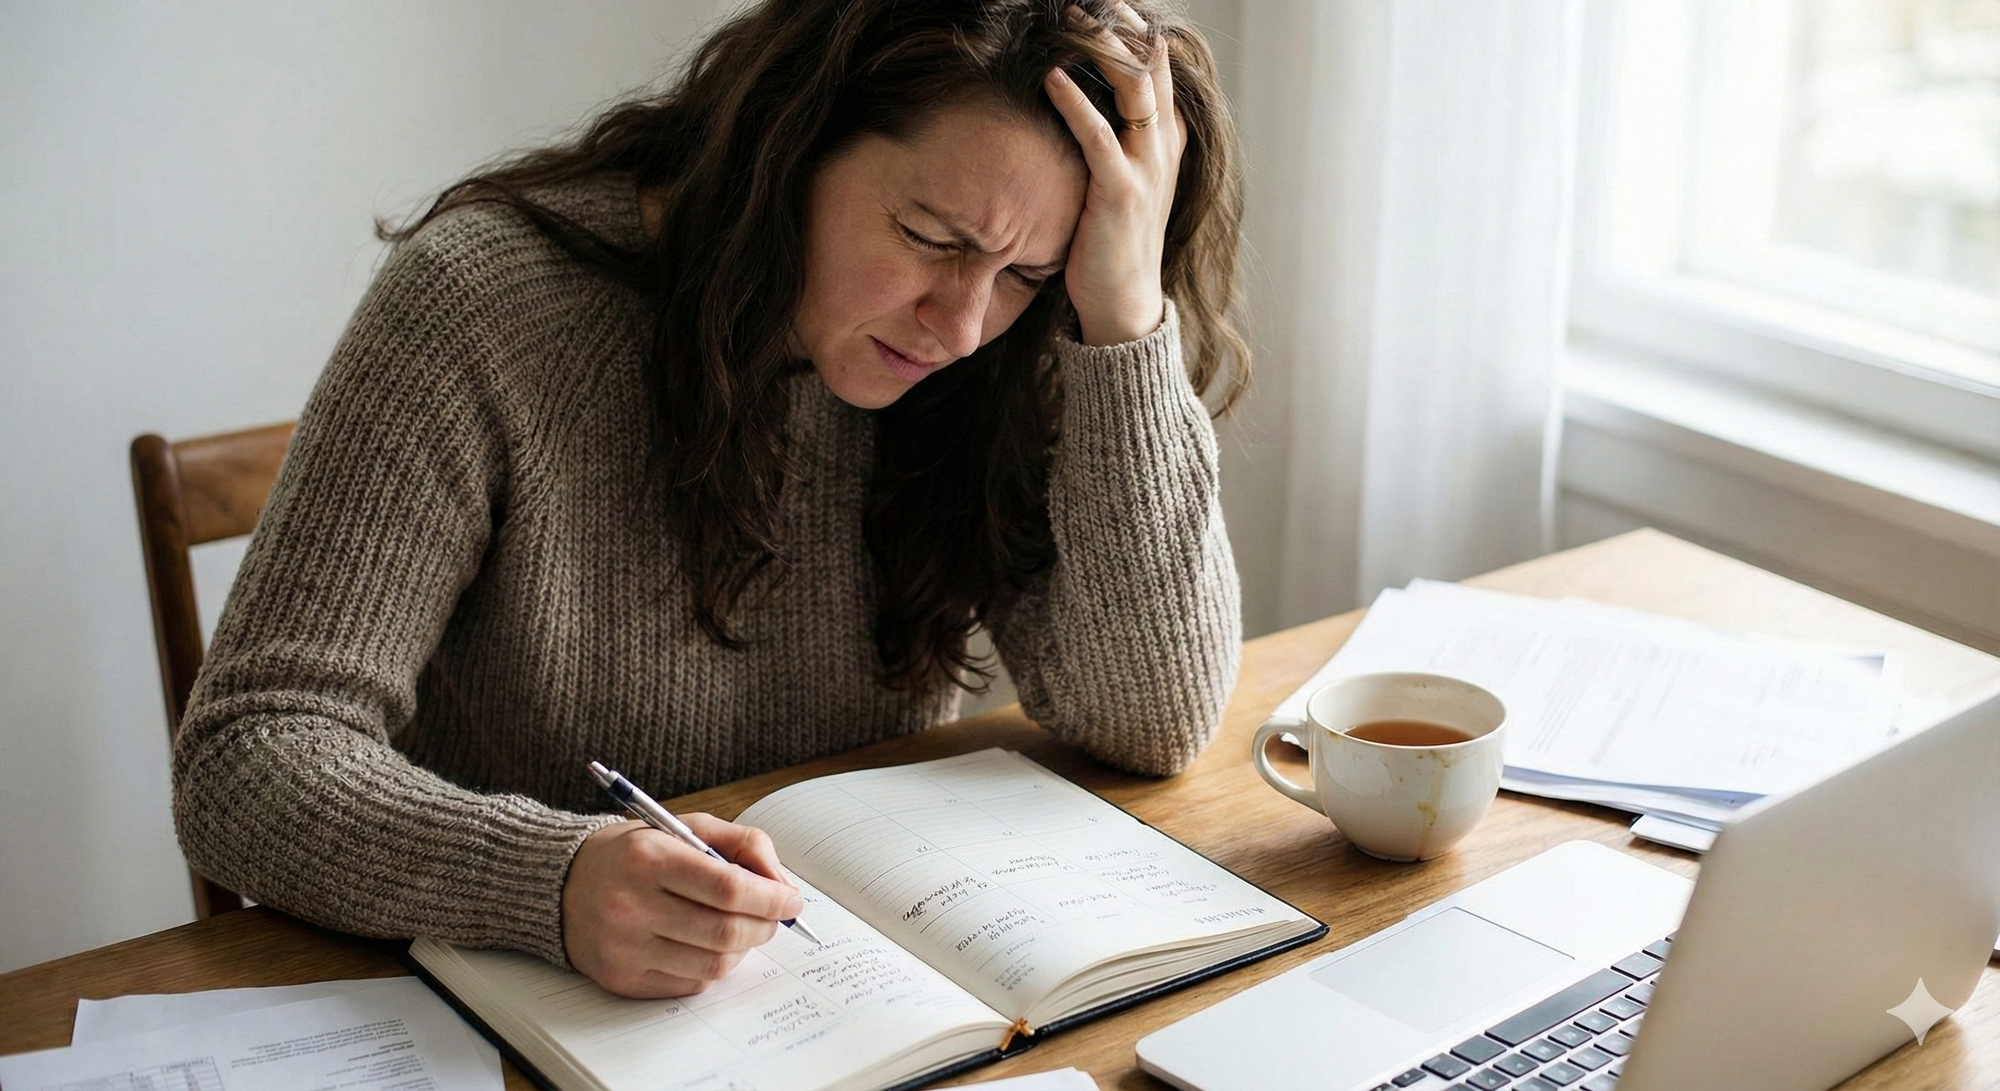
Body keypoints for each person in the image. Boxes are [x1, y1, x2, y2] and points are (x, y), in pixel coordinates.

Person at [173, 0, 1246, 1000]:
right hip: (516, 1002)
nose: (961, 323)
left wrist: (1121, 319)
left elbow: (1149, 720)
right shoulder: (487, 301)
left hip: (832, 994)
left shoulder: (1010, 356)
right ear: (794, 142)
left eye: (1024, 273)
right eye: (929, 238)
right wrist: (546, 877)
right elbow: (248, 751)